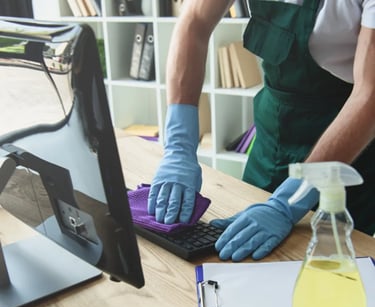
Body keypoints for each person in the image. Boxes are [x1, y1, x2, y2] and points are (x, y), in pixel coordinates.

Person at [147, 0, 375, 261]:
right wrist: (179, 146)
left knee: (329, 273)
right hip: (272, 141)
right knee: (236, 263)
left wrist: (288, 202)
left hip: (345, 153)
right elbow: (194, 22)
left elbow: (369, 96)